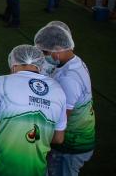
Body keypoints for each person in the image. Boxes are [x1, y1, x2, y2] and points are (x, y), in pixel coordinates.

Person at [0, 45, 67, 176]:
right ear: (40, 65)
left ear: (14, 64)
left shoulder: (1, 82)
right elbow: (59, 138)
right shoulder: (58, 90)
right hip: (37, 170)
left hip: (2, 168)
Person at [34, 25, 95, 175]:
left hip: (73, 143)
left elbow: (62, 118)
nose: (43, 56)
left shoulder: (69, 78)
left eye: (45, 52)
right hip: (71, 136)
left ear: (58, 49)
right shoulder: (72, 62)